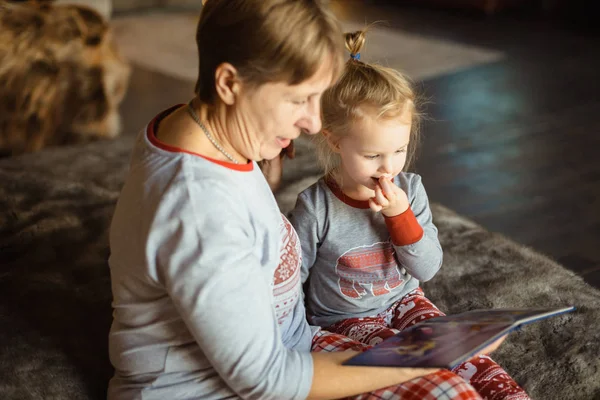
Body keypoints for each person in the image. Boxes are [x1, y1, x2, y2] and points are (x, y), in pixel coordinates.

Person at [107, 1, 507, 399]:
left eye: (318, 97)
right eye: (298, 99)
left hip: (294, 344)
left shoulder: (203, 127)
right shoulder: (199, 210)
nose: (314, 123)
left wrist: (265, 148)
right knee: (453, 392)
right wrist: (433, 354)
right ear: (229, 85)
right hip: (218, 389)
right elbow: (269, 381)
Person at [289, 29, 530, 400]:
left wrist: (400, 216)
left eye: (398, 151)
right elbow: (291, 280)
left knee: (462, 352)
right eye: (372, 156)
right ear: (335, 141)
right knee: (399, 358)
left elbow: (427, 268)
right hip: (345, 319)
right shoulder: (315, 206)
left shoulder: (410, 189)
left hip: (406, 300)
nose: (388, 167)